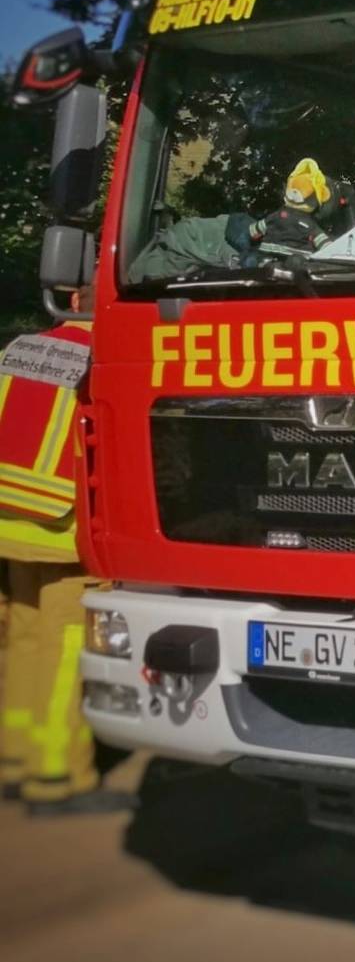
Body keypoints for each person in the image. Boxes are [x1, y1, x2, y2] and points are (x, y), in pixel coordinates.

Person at [0, 319, 129, 815]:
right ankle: (56, 779)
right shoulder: (109, 353)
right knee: (65, 655)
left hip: (10, 515)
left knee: (26, 640)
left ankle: (15, 764)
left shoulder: (23, 345)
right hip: (62, 529)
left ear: (72, 299)